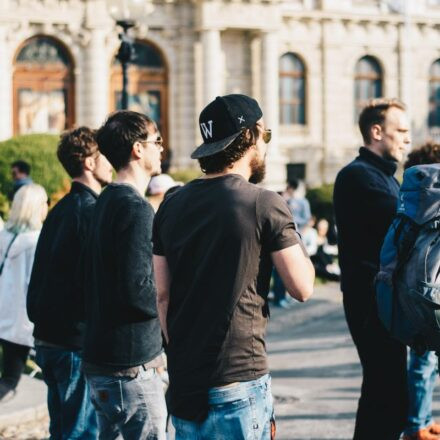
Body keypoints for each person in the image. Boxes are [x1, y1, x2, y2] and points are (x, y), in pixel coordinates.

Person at [153, 94, 315, 438]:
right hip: (238, 376)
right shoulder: (264, 203)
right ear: (250, 138)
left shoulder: (171, 204)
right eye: (265, 136)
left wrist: (180, 352)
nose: (266, 146)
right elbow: (302, 287)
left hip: (186, 381)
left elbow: (161, 294)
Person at [81, 111, 167, 440]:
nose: (162, 148)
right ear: (137, 149)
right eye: (156, 140)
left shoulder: (103, 201)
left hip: (104, 358)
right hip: (130, 365)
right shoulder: (135, 208)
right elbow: (140, 290)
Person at [27, 127, 112, 439]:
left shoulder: (60, 210)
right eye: (104, 157)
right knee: (81, 432)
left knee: (63, 429)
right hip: (73, 342)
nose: (110, 164)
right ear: (89, 162)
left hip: (49, 339)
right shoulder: (90, 211)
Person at [333, 98, 411, 440]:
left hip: (386, 300)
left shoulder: (385, 177)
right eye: (401, 131)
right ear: (376, 132)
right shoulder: (357, 176)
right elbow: (406, 223)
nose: (407, 139)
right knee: (385, 392)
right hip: (369, 302)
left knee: (391, 394)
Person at [402, 142, 440, 440]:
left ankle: (424, 418)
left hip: (422, 292)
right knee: (423, 362)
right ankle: (416, 424)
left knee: (427, 362)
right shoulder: (423, 206)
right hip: (425, 293)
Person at [0, 184, 48, 402]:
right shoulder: (37, 241)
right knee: (10, 380)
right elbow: (36, 283)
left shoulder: (4, 235)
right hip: (21, 321)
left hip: (4, 312)